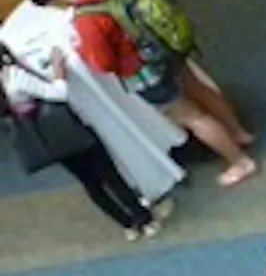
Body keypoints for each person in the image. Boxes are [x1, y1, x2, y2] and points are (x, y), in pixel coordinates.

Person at [23, 0, 258, 188]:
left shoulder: (86, 20)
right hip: (165, 42)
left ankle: (239, 161)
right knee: (197, 87)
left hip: (144, 68)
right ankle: (238, 131)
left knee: (191, 116)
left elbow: (103, 63)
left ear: (52, 2)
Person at [0, 42, 169, 240]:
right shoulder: (14, 76)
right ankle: (145, 220)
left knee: (90, 182)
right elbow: (58, 93)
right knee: (108, 173)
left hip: (46, 140)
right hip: (64, 129)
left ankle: (127, 224)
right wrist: (58, 70)